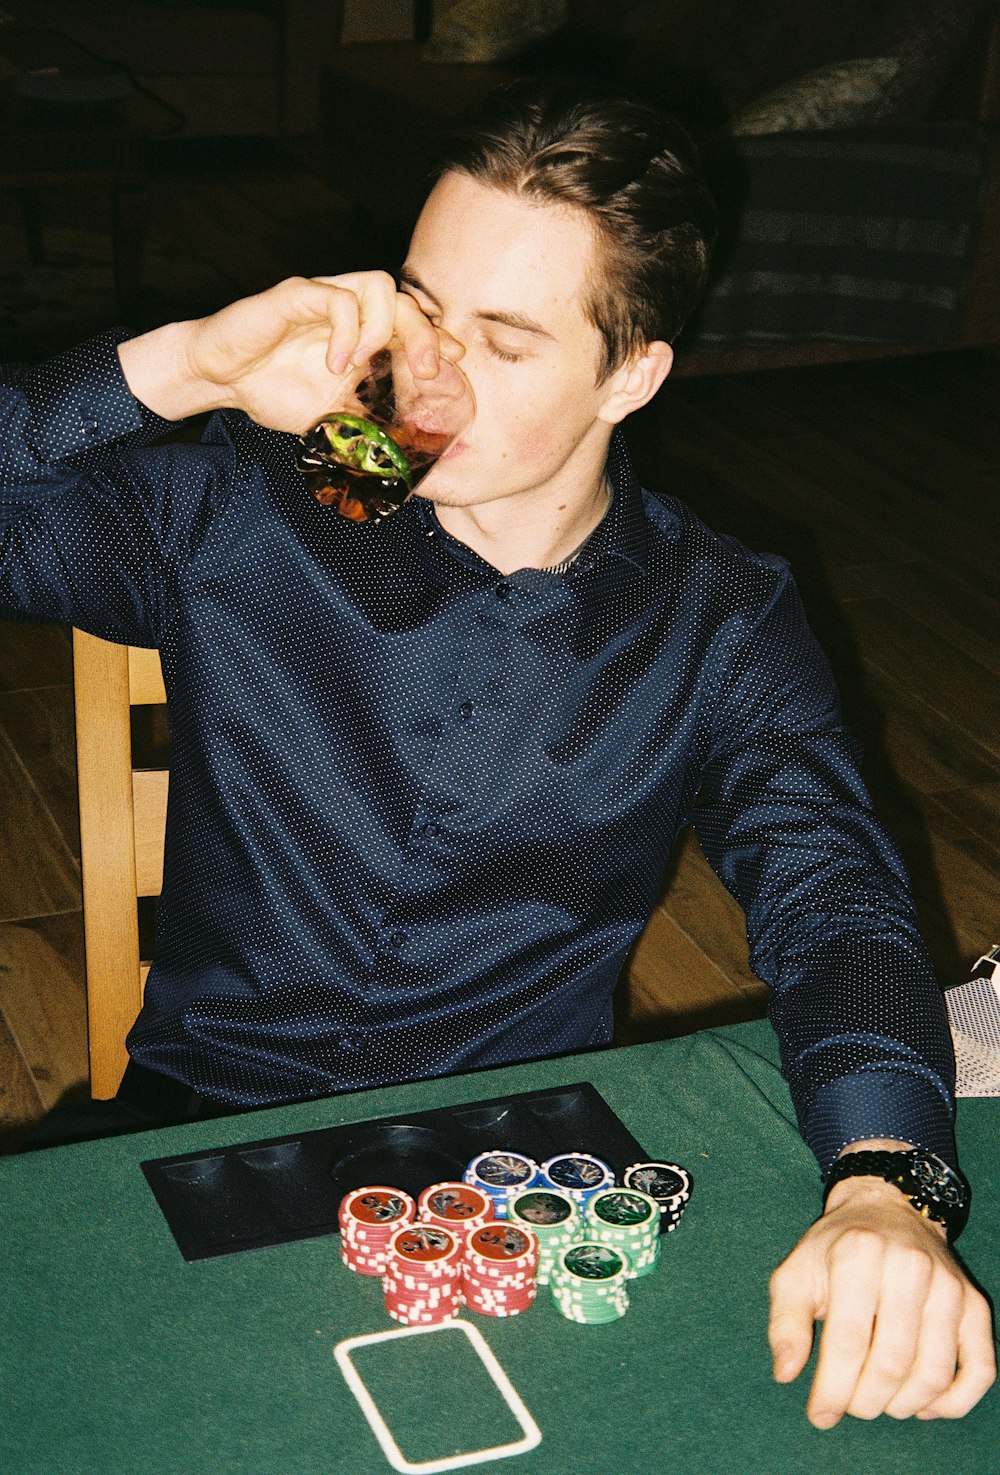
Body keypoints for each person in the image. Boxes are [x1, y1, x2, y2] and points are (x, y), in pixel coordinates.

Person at [1, 80, 994, 1426]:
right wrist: (177, 363)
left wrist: (888, 1181)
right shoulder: (269, 492)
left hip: (521, 1161)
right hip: (199, 1124)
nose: (432, 379)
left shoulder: (718, 613)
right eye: (425, 311)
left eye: (508, 343)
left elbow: (838, 902)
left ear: (633, 374)